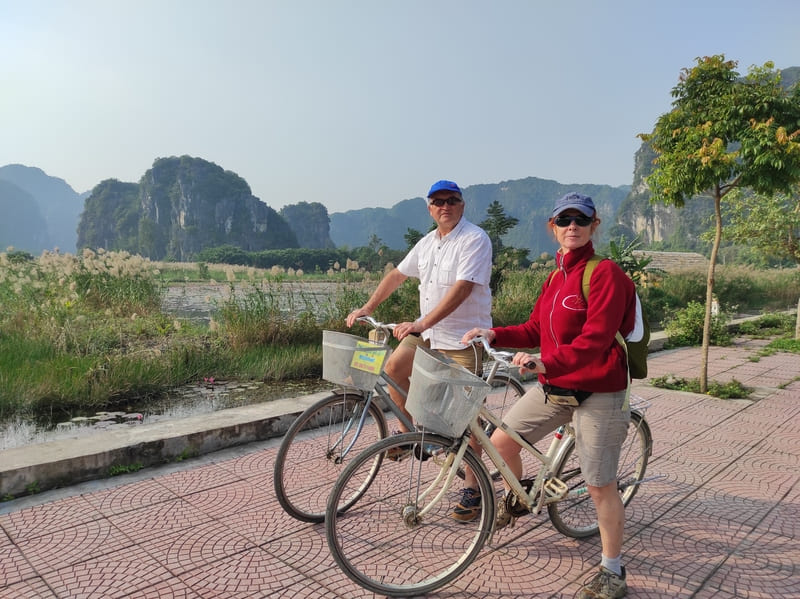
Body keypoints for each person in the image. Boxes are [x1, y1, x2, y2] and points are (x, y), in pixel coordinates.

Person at [462, 192, 636, 599]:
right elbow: (534, 328)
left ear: (595, 226)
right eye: (564, 220)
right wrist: (494, 333)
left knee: (599, 484)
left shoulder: (605, 274)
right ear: (552, 228)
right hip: (557, 386)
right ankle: (522, 498)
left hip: (599, 389)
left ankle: (613, 569)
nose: (571, 225)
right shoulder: (557, 276)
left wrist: (544, 363)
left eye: (580, 219)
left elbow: (594, 341)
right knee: (501, 442)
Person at [346, 180, 492, 496]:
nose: (445, 206)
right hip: (428, 333)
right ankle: (411, 433)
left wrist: (421, 323)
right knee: (395, 370)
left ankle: (473, 488)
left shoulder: (474, 240)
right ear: (429, 208)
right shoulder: (427, 243)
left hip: (463, 340)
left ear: (462, 205)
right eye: (438, 202)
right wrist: (367, 307)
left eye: (452, 200)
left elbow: (463, 289)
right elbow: (397, 275)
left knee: (467, 418)